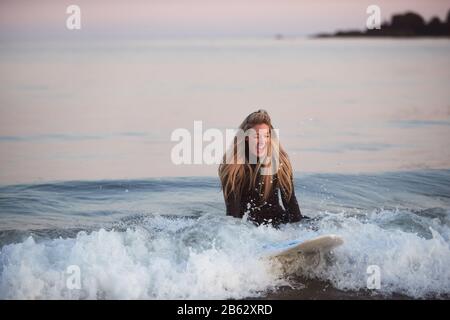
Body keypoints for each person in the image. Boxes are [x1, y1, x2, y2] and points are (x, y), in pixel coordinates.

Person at [218, 109, 305, 226]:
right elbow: (233, 215)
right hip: (250, 230)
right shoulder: (233, 167)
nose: (262, 142)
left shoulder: (279, 162)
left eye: (266, 136)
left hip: (279, 225)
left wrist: (301, 233)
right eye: (257, 137)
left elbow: (291, 206)